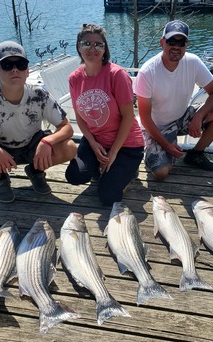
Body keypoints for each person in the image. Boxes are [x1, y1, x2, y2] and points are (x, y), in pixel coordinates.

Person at [0, 40, 77, 203]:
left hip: (33, 144)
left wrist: (47, 142)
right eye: (6, 65)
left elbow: (66, 128)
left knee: (69, 148)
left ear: (27, 70)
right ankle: (0, 179)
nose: (14, 70)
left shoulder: (39, 94)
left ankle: (36, 171)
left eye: (20, 64)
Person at [134, 20, 213, 180]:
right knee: (161, 173)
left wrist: (199, 117)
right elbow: (145, 119)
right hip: (155, 128)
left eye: (181, 42)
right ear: (162, 42)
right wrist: (167, 146)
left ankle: (196, 154)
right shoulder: (148, 72)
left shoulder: (193, 62)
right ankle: (156, 151)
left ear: (187, 44)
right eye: (171, 41)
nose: (176, 46)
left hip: (181, 118)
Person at [65, 24, 144, 206]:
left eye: (98, 45)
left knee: (108, 197)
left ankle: (128, 171)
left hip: (125, 145)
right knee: (74, 175)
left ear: (104, 48)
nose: (92, 49)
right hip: (97, 141)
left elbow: (128, 117)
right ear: (78, 46)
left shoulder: (116, 75)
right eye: (86, 44)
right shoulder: (74, 78)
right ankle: (103, 169)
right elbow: (80, 117)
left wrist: (113, 152)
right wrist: (92, 144)